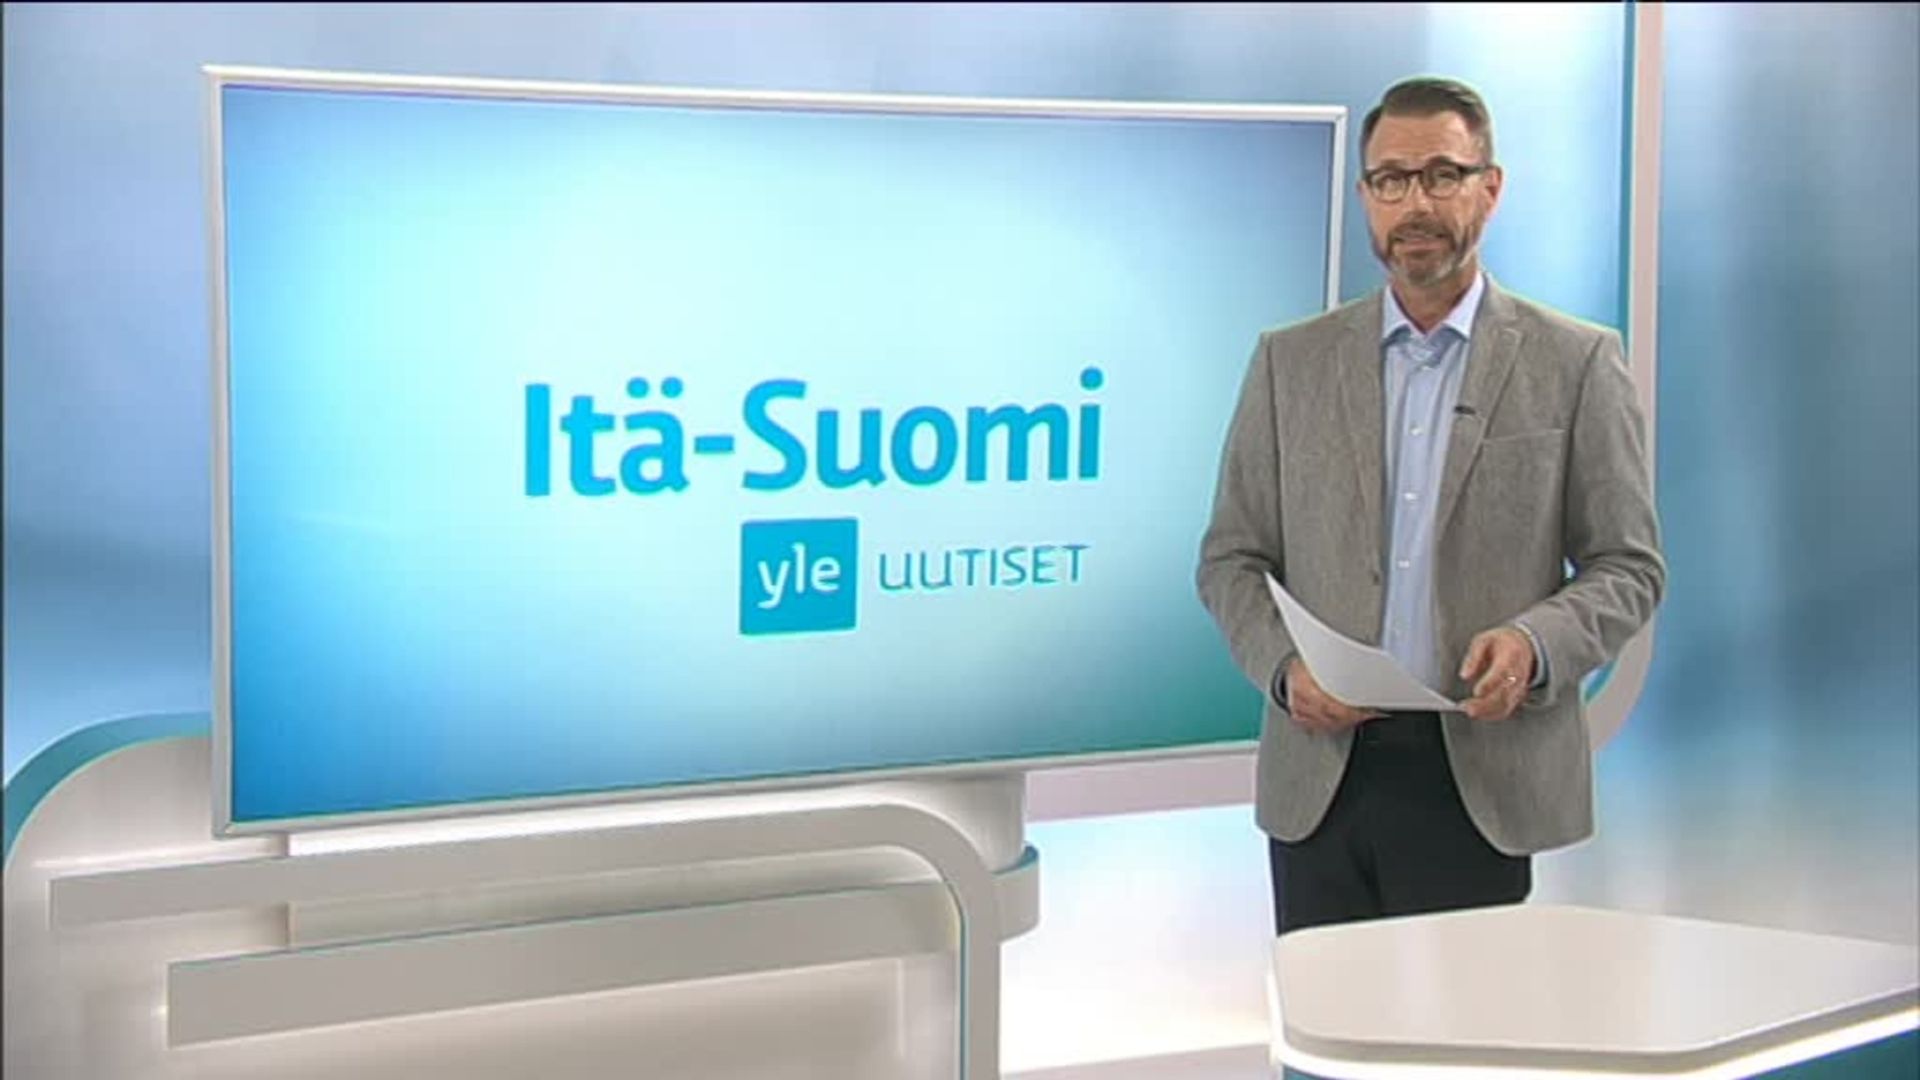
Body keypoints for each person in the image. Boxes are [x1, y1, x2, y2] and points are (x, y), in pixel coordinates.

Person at [1196, 76, 1665, 935]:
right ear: (1366, 196)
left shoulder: (1577, 363)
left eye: (1443, 175)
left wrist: (1535, 644)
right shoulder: (1289, 364)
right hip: (1320, 776)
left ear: (1491, 187)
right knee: (1328, 1019)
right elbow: (1231, 559)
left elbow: (1629, 566)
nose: (1416, 203)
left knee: (1466, 1016)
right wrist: (1284, 672)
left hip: (1480, 777)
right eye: (1392, 180)